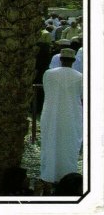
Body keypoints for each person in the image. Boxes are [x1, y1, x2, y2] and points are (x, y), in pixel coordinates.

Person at [39, 48, 83, 186]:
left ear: (60, 59)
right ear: (73, 60)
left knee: (51, 141)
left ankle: (49, 174)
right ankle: (68, 176)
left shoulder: (48, 73)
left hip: (52, 113)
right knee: (69, 144)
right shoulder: (80, 76)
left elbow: (47, 90)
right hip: (71, 114)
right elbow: (81, 95)